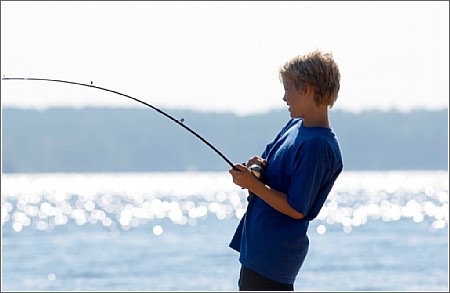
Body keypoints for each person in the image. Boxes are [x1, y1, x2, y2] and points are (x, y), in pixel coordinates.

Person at [228, 49, 343, 291]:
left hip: (274, 256)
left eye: (288, 89)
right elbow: (267, 162)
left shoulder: (317, 146)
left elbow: (296, 208)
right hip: (256, 248)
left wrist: (253, 185)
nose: (284, 98)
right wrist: (255, 168)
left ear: (307, 89)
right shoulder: (294, 125)